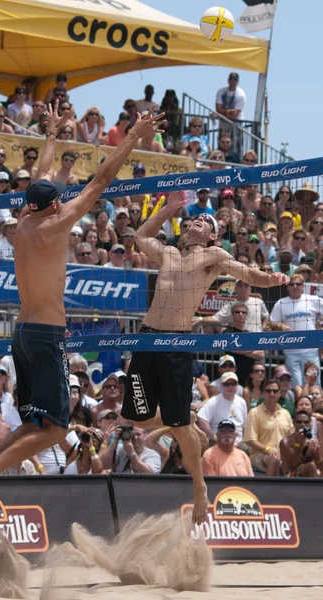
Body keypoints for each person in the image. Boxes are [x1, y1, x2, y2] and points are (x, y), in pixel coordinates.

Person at [0, 105, 167, 513]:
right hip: (45, 334)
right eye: (59, 198)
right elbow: (103, 178)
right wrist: (133, 135)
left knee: (36, 424)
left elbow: (43, 175)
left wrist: (52, 134)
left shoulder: (24, 222)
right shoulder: (57, 225)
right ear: (55, 206)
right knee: (55, 432)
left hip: (22, 334)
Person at [119, 192, 288, 524]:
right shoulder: (168, 253)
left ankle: (199, 490)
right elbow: (139, 237)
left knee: (181, 428)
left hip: (177, 344)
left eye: (203, 220)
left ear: (212, 234)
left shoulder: (214, 254)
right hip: (147, 339)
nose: (196, 220)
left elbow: (248, 274)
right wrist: (167, 209)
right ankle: (180, 416)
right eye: (193, 218)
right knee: (138, 420)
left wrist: (273, 280)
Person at [270, 273, 323, 387]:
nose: (295, 287)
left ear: (303, 286)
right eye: (292, 284)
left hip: (310, 350)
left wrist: (321, 324)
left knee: (314, 383)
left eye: (298, 284)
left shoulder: (313, 300)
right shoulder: (281, 303)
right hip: (290, 351)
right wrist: (281, 326)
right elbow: (271, 323)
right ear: (287, 286)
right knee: (295, 385)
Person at [244, 379, 294, 476]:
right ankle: (271, 490)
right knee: (275, 459)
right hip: (260, 454)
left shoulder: (286, 414)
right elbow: (250, 440)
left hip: (282, 455)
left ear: (279, 393)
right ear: (263, 393)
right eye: (268, 391)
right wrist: (268, 449)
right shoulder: (254, 413)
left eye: (275, 391)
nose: (272, 394)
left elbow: (290, 438)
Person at [197, 372, 247, 445]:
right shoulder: (213, 401)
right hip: (218, 442)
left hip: (239, 442)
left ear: (237, 385)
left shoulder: (242, 402)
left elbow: (244, 426)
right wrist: (214, 437)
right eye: (227, 384)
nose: (230, 386)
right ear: (221, 386)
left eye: (233, 384)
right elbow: (202, 419)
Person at [279, 411, 322, 477]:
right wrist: (297, 445)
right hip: (290, 475)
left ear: (310, 423)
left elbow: (320, 467)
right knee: (311, 466)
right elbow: (294, 465)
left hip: (311, 473)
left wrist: (318, 458)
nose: (302, 424)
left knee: (315, 469)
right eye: (299, 422)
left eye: (306, 422)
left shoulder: (313, 442)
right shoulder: (286, 442)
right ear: (293, 423)